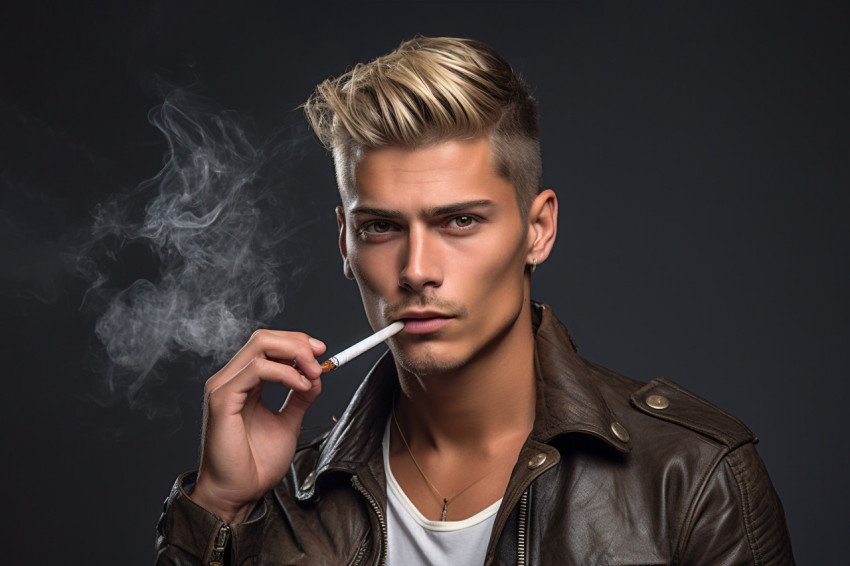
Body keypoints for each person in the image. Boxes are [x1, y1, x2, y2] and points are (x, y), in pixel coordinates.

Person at [155, 37, 794, 565]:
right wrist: (218, 507)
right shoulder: (280, 501)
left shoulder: (691, 480)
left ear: (537, 230)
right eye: (381, 227)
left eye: (460, 222)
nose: (417, 270)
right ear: (346, 243)